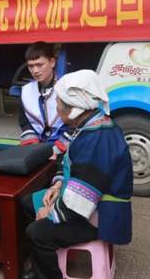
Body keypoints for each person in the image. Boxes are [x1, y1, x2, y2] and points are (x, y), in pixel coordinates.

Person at [21, 70, 133, 279]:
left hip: (99, 217)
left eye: (59, 102)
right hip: (87, 203)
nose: (57, 107)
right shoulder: (91, 125)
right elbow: (69, 163)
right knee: (29, 202)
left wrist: (50, 214)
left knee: (36, 232)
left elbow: (80, 201)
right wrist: (57, 185)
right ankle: (41, 261)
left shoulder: (96, 140)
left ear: (74, 108)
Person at [18, 42, 69, 155]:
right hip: (37, 144)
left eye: (39, 65)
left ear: (52, 62)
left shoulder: (67, 88)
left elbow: (76, 124)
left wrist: (57, 149)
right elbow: (24, 122)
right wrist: (33, 145)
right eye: (31, 66)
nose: (35, 71)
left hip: (64, 145)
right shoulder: (26, 91)